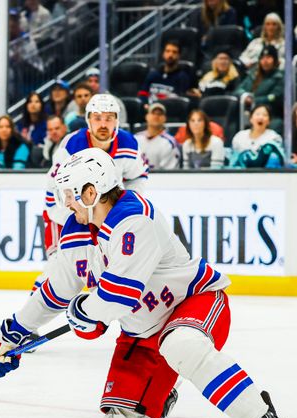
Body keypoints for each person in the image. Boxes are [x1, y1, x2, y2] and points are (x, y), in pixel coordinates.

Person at [0, 147, 297, 418]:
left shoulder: (135, 219)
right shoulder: (78, 230)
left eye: (69, 194)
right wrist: (12, 333)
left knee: (180, 343)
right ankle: (162, 395)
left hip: (195, 303)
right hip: (143, 334)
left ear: (91, 192)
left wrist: (84, 312)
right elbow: (54, 292)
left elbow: (117, 298)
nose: (64, 202)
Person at [45, 93, 148, 263]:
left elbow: (138, 176)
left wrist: (119, 209)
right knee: (59, 269)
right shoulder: (71, 146)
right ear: (88, 120)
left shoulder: (129, 144)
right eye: (97, 118)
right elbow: (53, 194)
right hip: (68, 214)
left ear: (117, 121)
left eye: (109, 118)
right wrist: (80, 218)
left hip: (102, 216)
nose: (102, 124)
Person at [138, 40, 197, 104]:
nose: (170, 55)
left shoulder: (183, 78)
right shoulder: (153, 74)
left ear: (179, 55)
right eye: (167, 51)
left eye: (174, 52)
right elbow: (143, 93)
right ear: (163, 54)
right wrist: (145, 104)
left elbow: (180, 102)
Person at [234, 45, 283, 118]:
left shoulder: (280, 77)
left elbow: (273, 97)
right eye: (262, 58)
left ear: (275, 60)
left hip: (270, 114)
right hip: (249, 112)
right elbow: (238, 90)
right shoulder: (253, 74)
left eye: (268, 57)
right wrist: (245, 96)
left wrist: (253, 100)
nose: (265, 61)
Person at [230, 103, 284, 168]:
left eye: (265, 115)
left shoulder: (274, 137)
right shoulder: (240, 136)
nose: (261, 117)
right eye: (257, 114)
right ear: (251, 119)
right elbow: (233, 159)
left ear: (269, 121)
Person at [134, 102, 181, 170]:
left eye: (159, 114)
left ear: (165, 118)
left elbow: (169, 173)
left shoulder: (170, 143)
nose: (156, 116)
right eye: (153, 113)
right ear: (146, 116)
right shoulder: (135, 139)